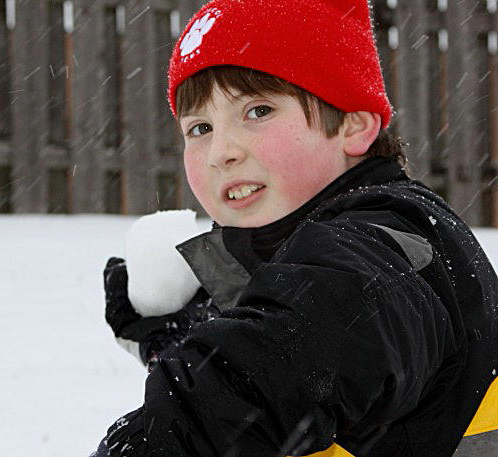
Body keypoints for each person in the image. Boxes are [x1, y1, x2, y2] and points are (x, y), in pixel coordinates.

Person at [92, 0, 498, 455]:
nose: (220, 151)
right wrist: (186, 338)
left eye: (257, 111)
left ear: (353, 125)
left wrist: (164, 426)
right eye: (200, 127)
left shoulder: (387, 243)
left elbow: (283, 361)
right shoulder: (300, 247)